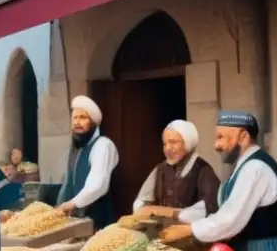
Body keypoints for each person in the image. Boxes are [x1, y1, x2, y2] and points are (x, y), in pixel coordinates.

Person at [163, 111, 277, 251]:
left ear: (243, 136)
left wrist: (190, 230)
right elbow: (221, 207)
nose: (216, 145)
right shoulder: (242, 167)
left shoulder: (255, 168)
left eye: (221, 137)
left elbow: (230, 218)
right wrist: (180, 216)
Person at [133, 120, 220, 220]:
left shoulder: (203, 170)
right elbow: (141, 202)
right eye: (165, 143)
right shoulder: (160, 169)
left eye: (173, 142)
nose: (168, 148)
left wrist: (171, 213)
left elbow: (210, 208)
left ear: (187, 143)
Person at [55, 96, 119, 230]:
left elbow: (98, 185)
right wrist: (59, 207)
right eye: (75, 118)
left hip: (97, 223)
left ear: (93, 123)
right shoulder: (75, 149)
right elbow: (67, 182)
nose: (77, 122)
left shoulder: (103, 145)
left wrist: (71, 204)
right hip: (74, 222)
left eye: (83, 118)